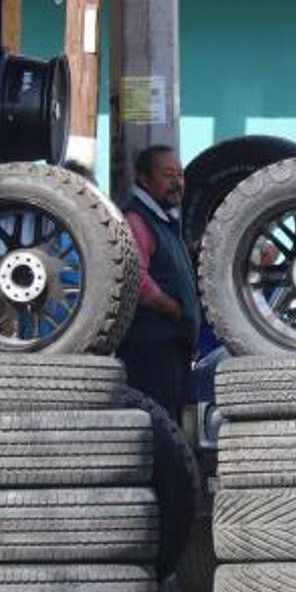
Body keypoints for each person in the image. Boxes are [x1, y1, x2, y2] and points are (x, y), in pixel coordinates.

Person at [117, 145, 200, 423]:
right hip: (151, 348)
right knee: (158, 428)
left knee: (171, 425)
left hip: (172, 345)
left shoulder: (163, 220)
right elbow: (136, 279)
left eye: (180, 174)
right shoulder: (136, 218)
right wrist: (174, 309)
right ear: (144, 178)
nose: (177, 182)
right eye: (167, 174)